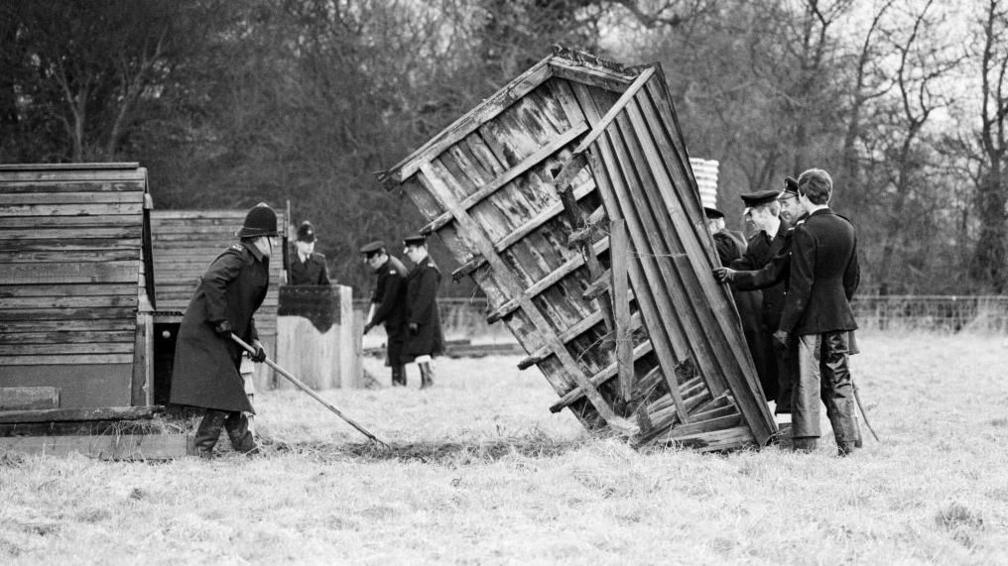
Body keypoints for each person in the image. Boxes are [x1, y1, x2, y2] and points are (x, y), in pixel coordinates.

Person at [169, 202, 278, 458]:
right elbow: (211, 280)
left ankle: (245, 446)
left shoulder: (257, 263)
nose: (273, 243)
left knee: (230, 390)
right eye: (271, 238)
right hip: (206, 331)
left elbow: (244, 307)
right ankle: (203, 449)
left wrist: (256, 341)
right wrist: (219, 320)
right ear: (260, 238)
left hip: (226, 333)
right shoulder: (236, 257)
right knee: (226, 389)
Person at [774, 169, 861, 455]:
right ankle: (848, 445)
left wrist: (785, 328)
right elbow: (852, 279)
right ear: (828, 194)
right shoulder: (846, 227)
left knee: (807, 384)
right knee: (840, 382)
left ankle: (806, 446)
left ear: (802, 195)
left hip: (810, 324)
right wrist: (838, 304)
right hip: (839, 320)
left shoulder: (804, 231)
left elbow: (801, 286)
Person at [730, 188, 794, 413]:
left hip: (790, 320)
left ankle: (792, 430)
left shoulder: (794, 236)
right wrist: (725, 272)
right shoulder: (757, 243)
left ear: (767, 212)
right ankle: (781, 425)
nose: (750, 220)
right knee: (773, 376)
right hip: (768, 321)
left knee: (791, 379)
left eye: (753, 215)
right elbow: (744, 268)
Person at [705, 206, 765, 387]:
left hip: (742, 306)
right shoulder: (735, 238)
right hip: (749, 304)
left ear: (714, 225)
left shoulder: (724, 242)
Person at [360, 240, 409, 386]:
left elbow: (388, 302)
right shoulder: (386, 267)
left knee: (396, 351)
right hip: (395, 317)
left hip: (400, 317)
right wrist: (375, 297)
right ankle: (398, 382)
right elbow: (380, 293)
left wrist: (371, 324)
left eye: (374, 261)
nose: (372, 264)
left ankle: (398, 382)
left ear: (381, 256)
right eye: (370, 262)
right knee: (395, 350)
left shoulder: (392, 270)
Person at [402, 234, 445, 389]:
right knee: (420, 351)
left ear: (422, 249)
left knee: (423, 350)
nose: (409, 254)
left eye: (412, 251)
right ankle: (425, 382)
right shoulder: (420, 269)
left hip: (425, 319)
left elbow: (425, 297)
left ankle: (428, 382)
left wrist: (416, 319)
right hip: (420, 318)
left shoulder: (428, 270)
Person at [289, 220, 331, 286]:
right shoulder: (289, 262)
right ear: (298, 243)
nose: (310, 245)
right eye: (306, 242)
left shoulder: (320, 261)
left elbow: (326, 286)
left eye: (312, 242)